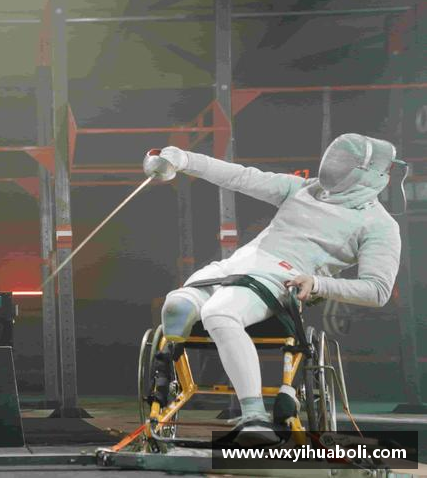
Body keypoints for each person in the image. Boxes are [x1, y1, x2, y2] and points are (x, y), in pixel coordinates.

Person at [143, 133, 401, 444]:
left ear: (371, 174)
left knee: (218, 313)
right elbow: (240, 177)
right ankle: (171, 367)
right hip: (232, 267)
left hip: (278, 278)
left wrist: (318, 283)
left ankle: (254, 416)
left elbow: (377, 290)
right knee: (176, 306)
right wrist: (184, 159)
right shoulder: (303, 188)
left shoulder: (379, 225)